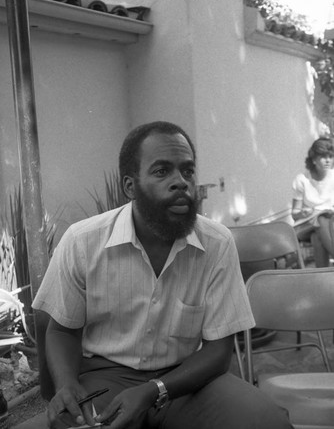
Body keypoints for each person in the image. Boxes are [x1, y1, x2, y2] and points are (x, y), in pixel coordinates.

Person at [33, 121, 293, 429]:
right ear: (130, 186)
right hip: (104, 379)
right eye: (161, 171)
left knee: (266, 421)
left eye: (187, 170)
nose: (180, 182)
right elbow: (62, 330)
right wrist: (65, 385)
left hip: (188, 380)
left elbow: (219, 351)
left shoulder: (216, 243)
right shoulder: (83, 241)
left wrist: (155, 390)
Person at [292, 136, 334, 267]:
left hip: (329, 225)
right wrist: (303, 213)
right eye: (323, 157)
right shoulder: (302, 180)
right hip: (307, 225)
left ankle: (323, 279)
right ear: (314, 160)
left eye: (330, 156)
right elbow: (294, 213)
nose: (328, 160)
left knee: (317, 239)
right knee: (321, 218)